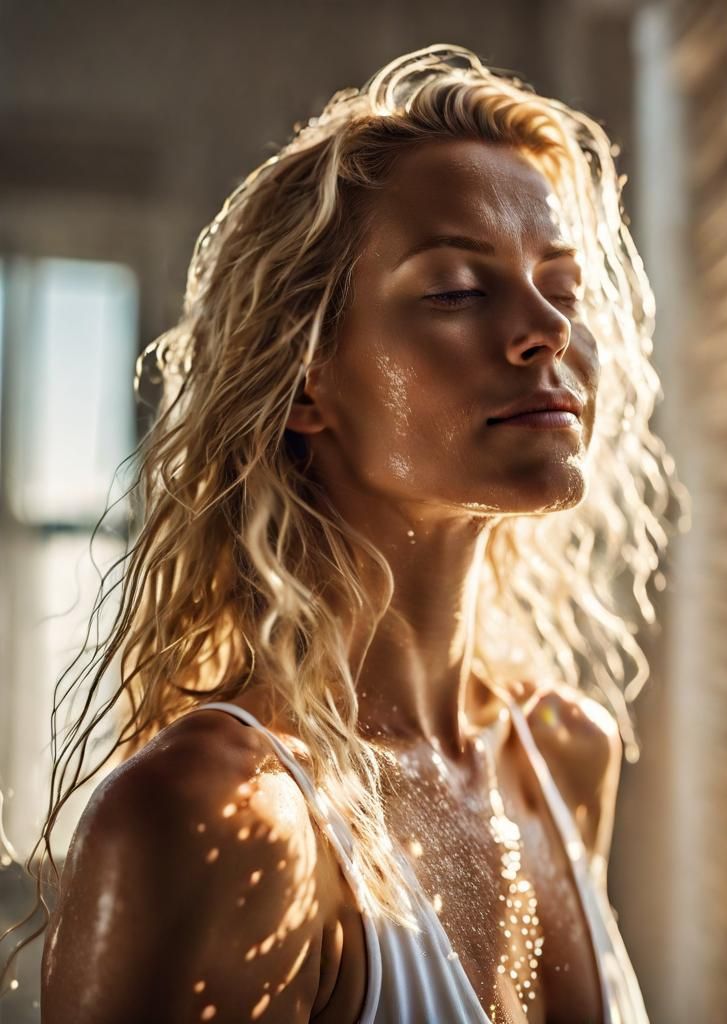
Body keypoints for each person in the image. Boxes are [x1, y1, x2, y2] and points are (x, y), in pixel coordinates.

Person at [12, 43, 687, 1023]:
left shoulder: (561, 753)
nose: (545, 330)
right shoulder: (218, 816)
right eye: (457, 287)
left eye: (562, 286)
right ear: (308, 380)